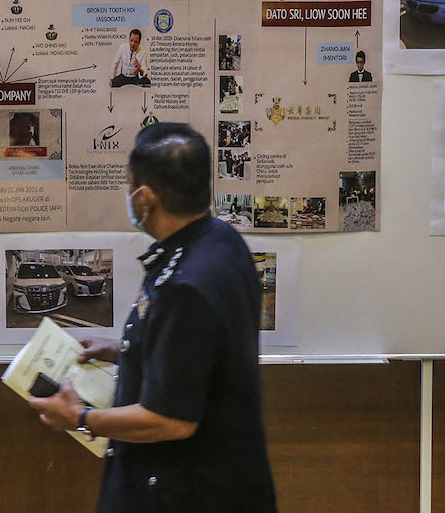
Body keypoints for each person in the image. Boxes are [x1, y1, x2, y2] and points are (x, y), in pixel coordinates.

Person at [28, 123, 277, 513]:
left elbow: (170, 420)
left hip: (187, 491)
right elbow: (197, 354)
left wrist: (79, 416)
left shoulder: (186, 284)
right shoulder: (219, 240)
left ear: (144, 199)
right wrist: (123, 349)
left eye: (129, 186)